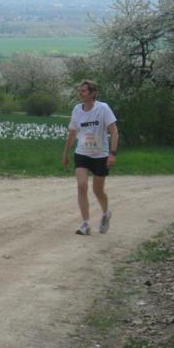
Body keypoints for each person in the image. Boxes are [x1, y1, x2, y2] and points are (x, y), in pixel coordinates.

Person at [62, 79, 119, 235]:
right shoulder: (77, 109)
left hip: (100, 155)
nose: (80, 93)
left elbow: (114, 131)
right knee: (82, 186)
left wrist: (112, 154)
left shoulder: (103, 108)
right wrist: (66, 153)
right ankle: (86, 224)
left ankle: (106, 213)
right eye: (79, 91)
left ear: (93, 93)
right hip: (82, 153)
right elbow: (72, 133)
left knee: (98, 190)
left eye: (84, 91)